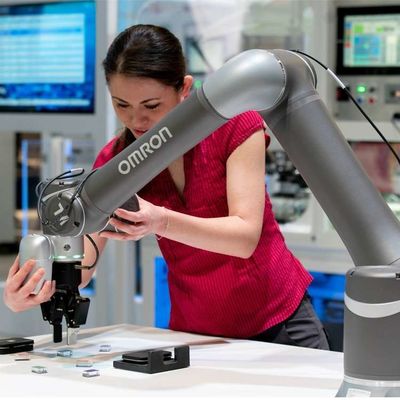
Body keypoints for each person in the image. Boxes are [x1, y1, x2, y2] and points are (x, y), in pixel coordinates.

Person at [4, 24, 329, 350]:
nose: (136, 121)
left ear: (184, 88)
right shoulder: (117, 161)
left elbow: (244, 237)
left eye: (151, 106)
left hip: (278, 320)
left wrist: (160, 221)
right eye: (122, 105)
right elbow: (83, 263)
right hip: (196, 334)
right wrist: (34, 284)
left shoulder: (234, 125)